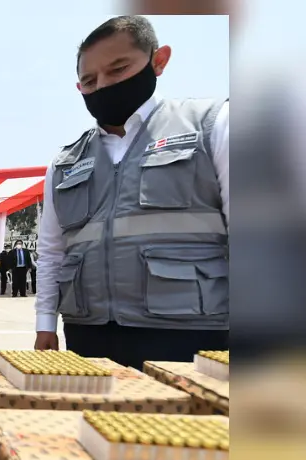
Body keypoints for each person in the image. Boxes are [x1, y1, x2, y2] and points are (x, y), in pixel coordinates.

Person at [34, 16, 229, 369]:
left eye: (118, 69)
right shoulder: (65, 162)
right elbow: (51, 251)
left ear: (158, 61)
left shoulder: (211, 126)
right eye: (89, 81)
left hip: (190, 331)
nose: (103, 86)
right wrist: (45, 321)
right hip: (88, 332)